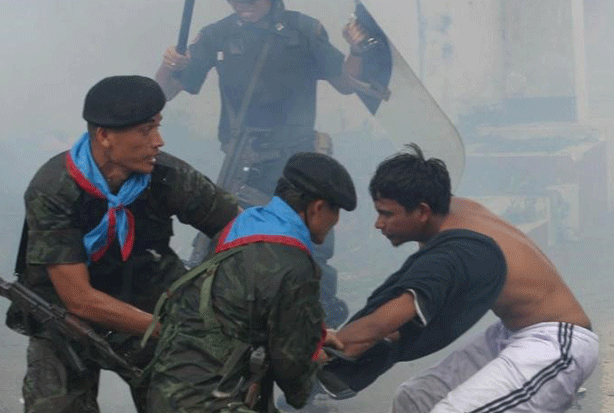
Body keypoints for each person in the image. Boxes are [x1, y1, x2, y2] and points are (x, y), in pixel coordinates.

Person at [4, 75, 240, 413]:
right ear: (104, 136)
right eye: (145, 131)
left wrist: (215, 296)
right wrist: (172, 330)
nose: (157, 141)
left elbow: (243, 229)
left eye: (157, 127)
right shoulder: (54, 189)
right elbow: (79, 299)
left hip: (151, 305)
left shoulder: (166, 175)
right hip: (67, 320)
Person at [320, 144, 598, 412]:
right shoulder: (453, 211)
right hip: (509, 334)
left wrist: (330, 345)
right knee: (414, 399)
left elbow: (393, 315)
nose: (379, 223)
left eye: (387, 214)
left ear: (422, 211)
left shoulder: (454, 252)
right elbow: (410, 316)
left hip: (557, 344)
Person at [156, 0, 371, 328]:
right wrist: (170, 64)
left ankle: (317, 334)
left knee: (311, 254)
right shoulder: (218, 35)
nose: (243, 5)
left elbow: (345, 83)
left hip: (295, 166)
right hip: (243, 164)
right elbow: (164, 91)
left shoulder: (303, 29)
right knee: (220, 250)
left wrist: (356, 50)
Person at [146, 152, 357, 413]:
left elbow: (249, 309)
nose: (334, 223)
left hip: (167, 391)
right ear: (318, 207)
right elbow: (292, 374)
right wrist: (311, 360)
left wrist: (314, 334)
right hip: (209, 401)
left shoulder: (244, 226)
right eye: (335, 212)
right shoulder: (293, 261)